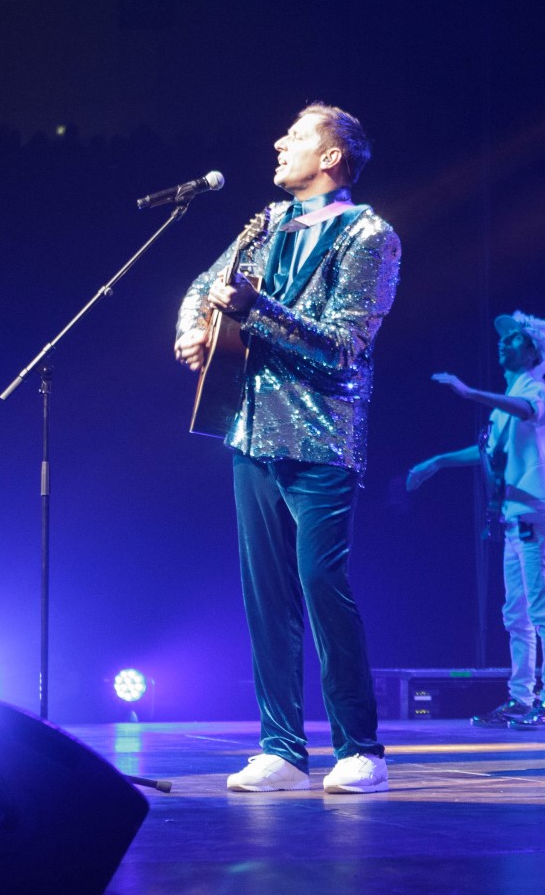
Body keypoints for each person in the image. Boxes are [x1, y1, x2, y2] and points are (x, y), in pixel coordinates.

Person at [175, 103, 400, 794]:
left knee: (321, 585)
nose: (279, 142)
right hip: (251, 430)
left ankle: (361, 749)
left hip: (322, 436)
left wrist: (255, 309)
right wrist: (193, 329)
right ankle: (281, 749)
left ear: (331, 157)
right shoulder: (268, 224)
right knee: (265, 596)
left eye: (297, 135)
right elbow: (203, 286)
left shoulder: (369, 234)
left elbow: (344, 345)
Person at [407, 311, 545, 730]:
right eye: (504, 338)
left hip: (535, 512)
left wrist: (469, 393)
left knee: (542, 608)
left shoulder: (538, 392)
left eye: (515, 338)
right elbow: (486, 450)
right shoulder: (512, 398)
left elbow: (526, 410)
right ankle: (521, 698)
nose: (503, 342)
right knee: (515, 613)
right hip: (514, 515)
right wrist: (438, 461)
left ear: (534, 353)